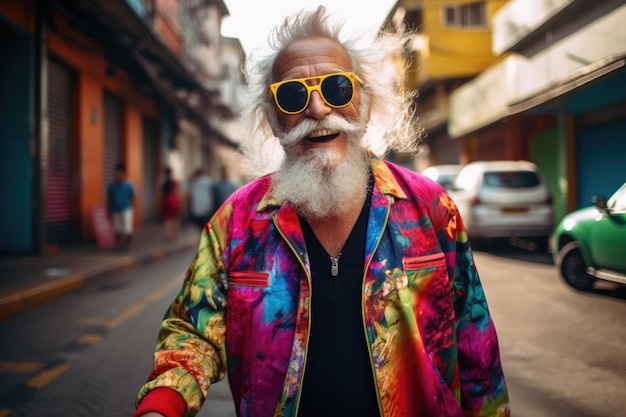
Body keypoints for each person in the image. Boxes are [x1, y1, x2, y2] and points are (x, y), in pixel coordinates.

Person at [132, 6, 510, 417]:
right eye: (293, 94)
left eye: (336, 88)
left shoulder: (432, 210)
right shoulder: (237, 222)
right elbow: (192, 331)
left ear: (362, 101)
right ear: (274, 117)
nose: (316, 108)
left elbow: (477, 350)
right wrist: (162, 405)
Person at [106, 162, 134, 250]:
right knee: (117, 228)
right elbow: (109, 198)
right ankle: (118, 245)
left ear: (123, 173)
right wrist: (108, 210)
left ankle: (127, 245)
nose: (117, 175)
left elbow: (133, 197)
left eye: (119, 173)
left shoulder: (129, 185)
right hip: (115, 209)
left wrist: (131, 209)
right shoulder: (111, 185)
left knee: (127, 228)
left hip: (126, 209)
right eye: (115, 172)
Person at [160, 166, 181, 241]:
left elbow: (159, 193)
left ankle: (168, 235)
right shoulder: (174, 181)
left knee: (167, 219)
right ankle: (175, 234)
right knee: (175, 219)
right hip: (174, 201)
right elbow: (177, 192)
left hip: (166, 201)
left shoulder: (162, 181)